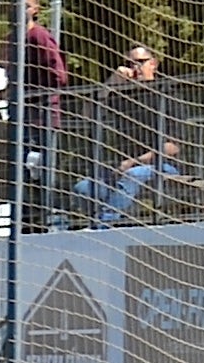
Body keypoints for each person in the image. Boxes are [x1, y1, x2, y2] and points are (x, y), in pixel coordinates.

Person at [72, 46, 187, 227]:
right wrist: (111, 83)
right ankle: (104, 222)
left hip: (163, 167)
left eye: (140, 62)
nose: (135, 68)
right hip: (123, 167)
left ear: (153, 64)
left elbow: (173, 147)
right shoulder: (123, 97)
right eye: (130, 63)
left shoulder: (168, 95)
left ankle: (102, 228)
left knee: (133, 175)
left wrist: (134, 162)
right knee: (83, 188)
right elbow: (87, 114)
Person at [19, 0, 70, 229]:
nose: (20, 8)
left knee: (42, 174)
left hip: (42, 117)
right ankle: (25, 224)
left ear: (35, 10)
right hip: (19, 117)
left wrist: (34, 88)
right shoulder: (11, 39)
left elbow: (59, 75)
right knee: (21, 175)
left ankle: (49, 223)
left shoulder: (39, 36)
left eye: (27, 5)